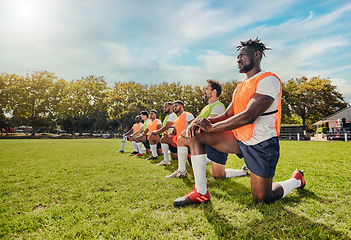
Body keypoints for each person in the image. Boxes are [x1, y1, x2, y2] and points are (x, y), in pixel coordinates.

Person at [174, 38, 305, 206]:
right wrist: (201, 122)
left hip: (262, 144)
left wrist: (212, 127)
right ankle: (200, 193)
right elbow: (227, 115)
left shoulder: (268, 80)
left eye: (242, 55)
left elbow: (249, 115)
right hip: (239, 139)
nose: (238, 59)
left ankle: (296, 180)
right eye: (237, 56)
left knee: (263, 198)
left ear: (256, 55)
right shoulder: (239, 87)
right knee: (195, 134)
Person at [166, 79, 249, 179]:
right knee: (181, 139)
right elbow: (195, 121)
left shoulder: (218, 106)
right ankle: (181, 171)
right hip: (204, 141)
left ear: (214, 92)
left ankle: (243, 172)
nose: (203, 91)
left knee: (219, 175)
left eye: (206, 89)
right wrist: (186, 130)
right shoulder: (205, 108)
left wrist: (189, 131)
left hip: (216, 144)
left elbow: (208, 124)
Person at [156, 100, 194, 166]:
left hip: (187, 141)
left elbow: (194, 127)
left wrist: (187, 133)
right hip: (177, 141)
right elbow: (175, 132)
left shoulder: (188, 115)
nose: (174, 108)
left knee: (191, 163)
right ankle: (166, 160)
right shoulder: (177, 119)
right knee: (163, 139)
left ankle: (207, 158)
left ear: (181, 106)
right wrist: (169, 135)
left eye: (176, 106)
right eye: (174, 106)